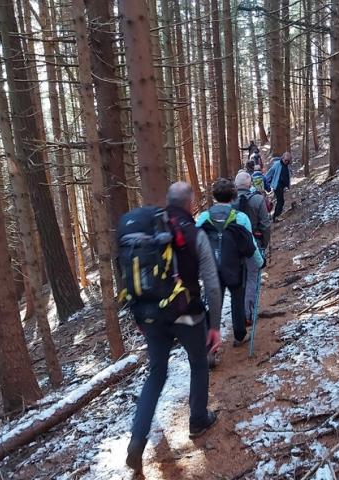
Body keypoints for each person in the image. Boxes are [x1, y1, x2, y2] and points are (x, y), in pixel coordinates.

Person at [126, 182, 222, 474]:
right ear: (191, 204)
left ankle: (136, 440)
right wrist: (215, 325)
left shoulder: (148, 232)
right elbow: (213, 285)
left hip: (152, 316)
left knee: (156, 374)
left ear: (167, 202)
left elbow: (131, 278)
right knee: (198, 364)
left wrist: (139, 318)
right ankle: (197, 420)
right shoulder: (195, 234)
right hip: (187, 314)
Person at [196, 178, 264, 347]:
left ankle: (210, 340)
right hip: (235, 268)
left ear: (214, 196)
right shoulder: (240, 218)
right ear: (233, 196)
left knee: (213, 301)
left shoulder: (204, 217)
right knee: (237, 298)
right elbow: (250, 244)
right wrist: (259, 262)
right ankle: (239, 335)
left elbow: (195, 241)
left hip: (210, 268)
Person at [233, 172, 271, 326]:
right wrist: (264, 243)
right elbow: (265, 224)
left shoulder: (230, 201)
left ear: (236, 186)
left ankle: (238, 315)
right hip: (254, 244)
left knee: (238, 280)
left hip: (233, 247)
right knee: (252, 278)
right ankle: (248, 313)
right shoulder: (258, 199)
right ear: (250, 184)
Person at [265, 151, 292, 223]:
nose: (286, 162)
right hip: (277, 186)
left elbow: (288, 175)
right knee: (281, 201)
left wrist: (288, 185)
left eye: (288, 161)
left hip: (283, 186)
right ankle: (276, 216)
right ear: (282, 158)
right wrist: (265, 181)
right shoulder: (277, 164)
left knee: (280, 201)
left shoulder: (287, 166)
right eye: (285, 160)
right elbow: (270, 172)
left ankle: (275, 215)